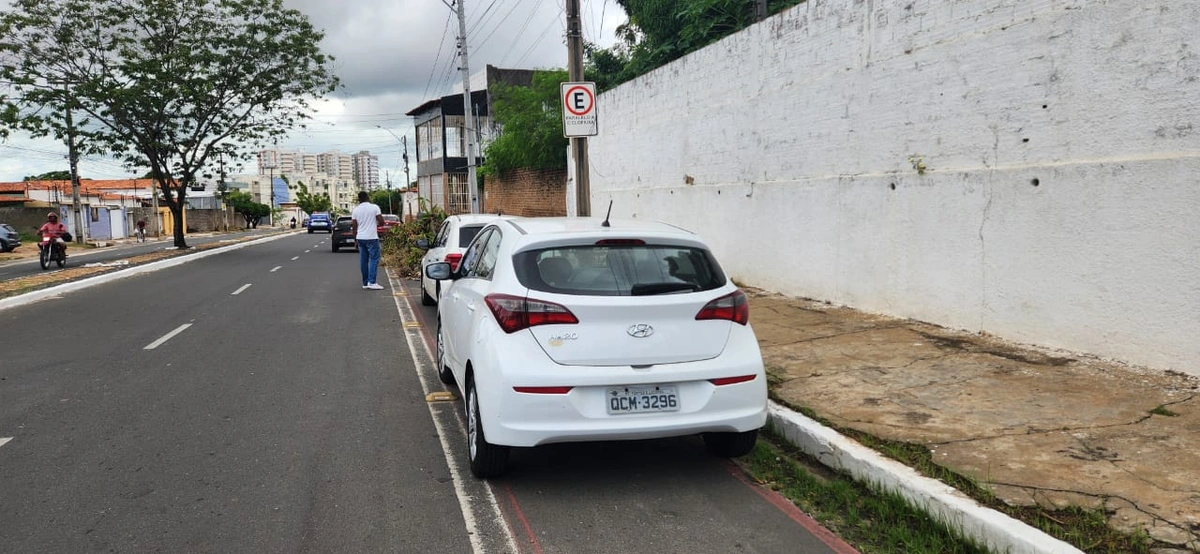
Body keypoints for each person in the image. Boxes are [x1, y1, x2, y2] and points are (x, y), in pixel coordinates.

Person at [351, 190, 384, 290]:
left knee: (363, 260)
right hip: (372, 237)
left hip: (360, 237)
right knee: (374, 259)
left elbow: (354, 227)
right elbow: (381, 222)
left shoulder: (355, 210)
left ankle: (365, 283)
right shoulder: (374, 207)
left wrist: (355, 240)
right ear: (368, 197)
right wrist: (375, 224)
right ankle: (372, 282)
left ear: (359, 199)